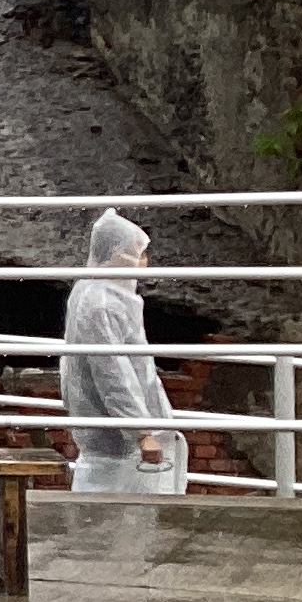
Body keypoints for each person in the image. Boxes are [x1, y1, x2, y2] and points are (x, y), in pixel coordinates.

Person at [61, 210, 186, 494]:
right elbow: (113, 373)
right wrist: (142, 434)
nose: (144, 261)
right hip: (116, 442)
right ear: (120, 255)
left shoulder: (92, 291)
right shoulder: (102, 302)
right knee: (120, 517)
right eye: (138, 253)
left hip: (109, 436)